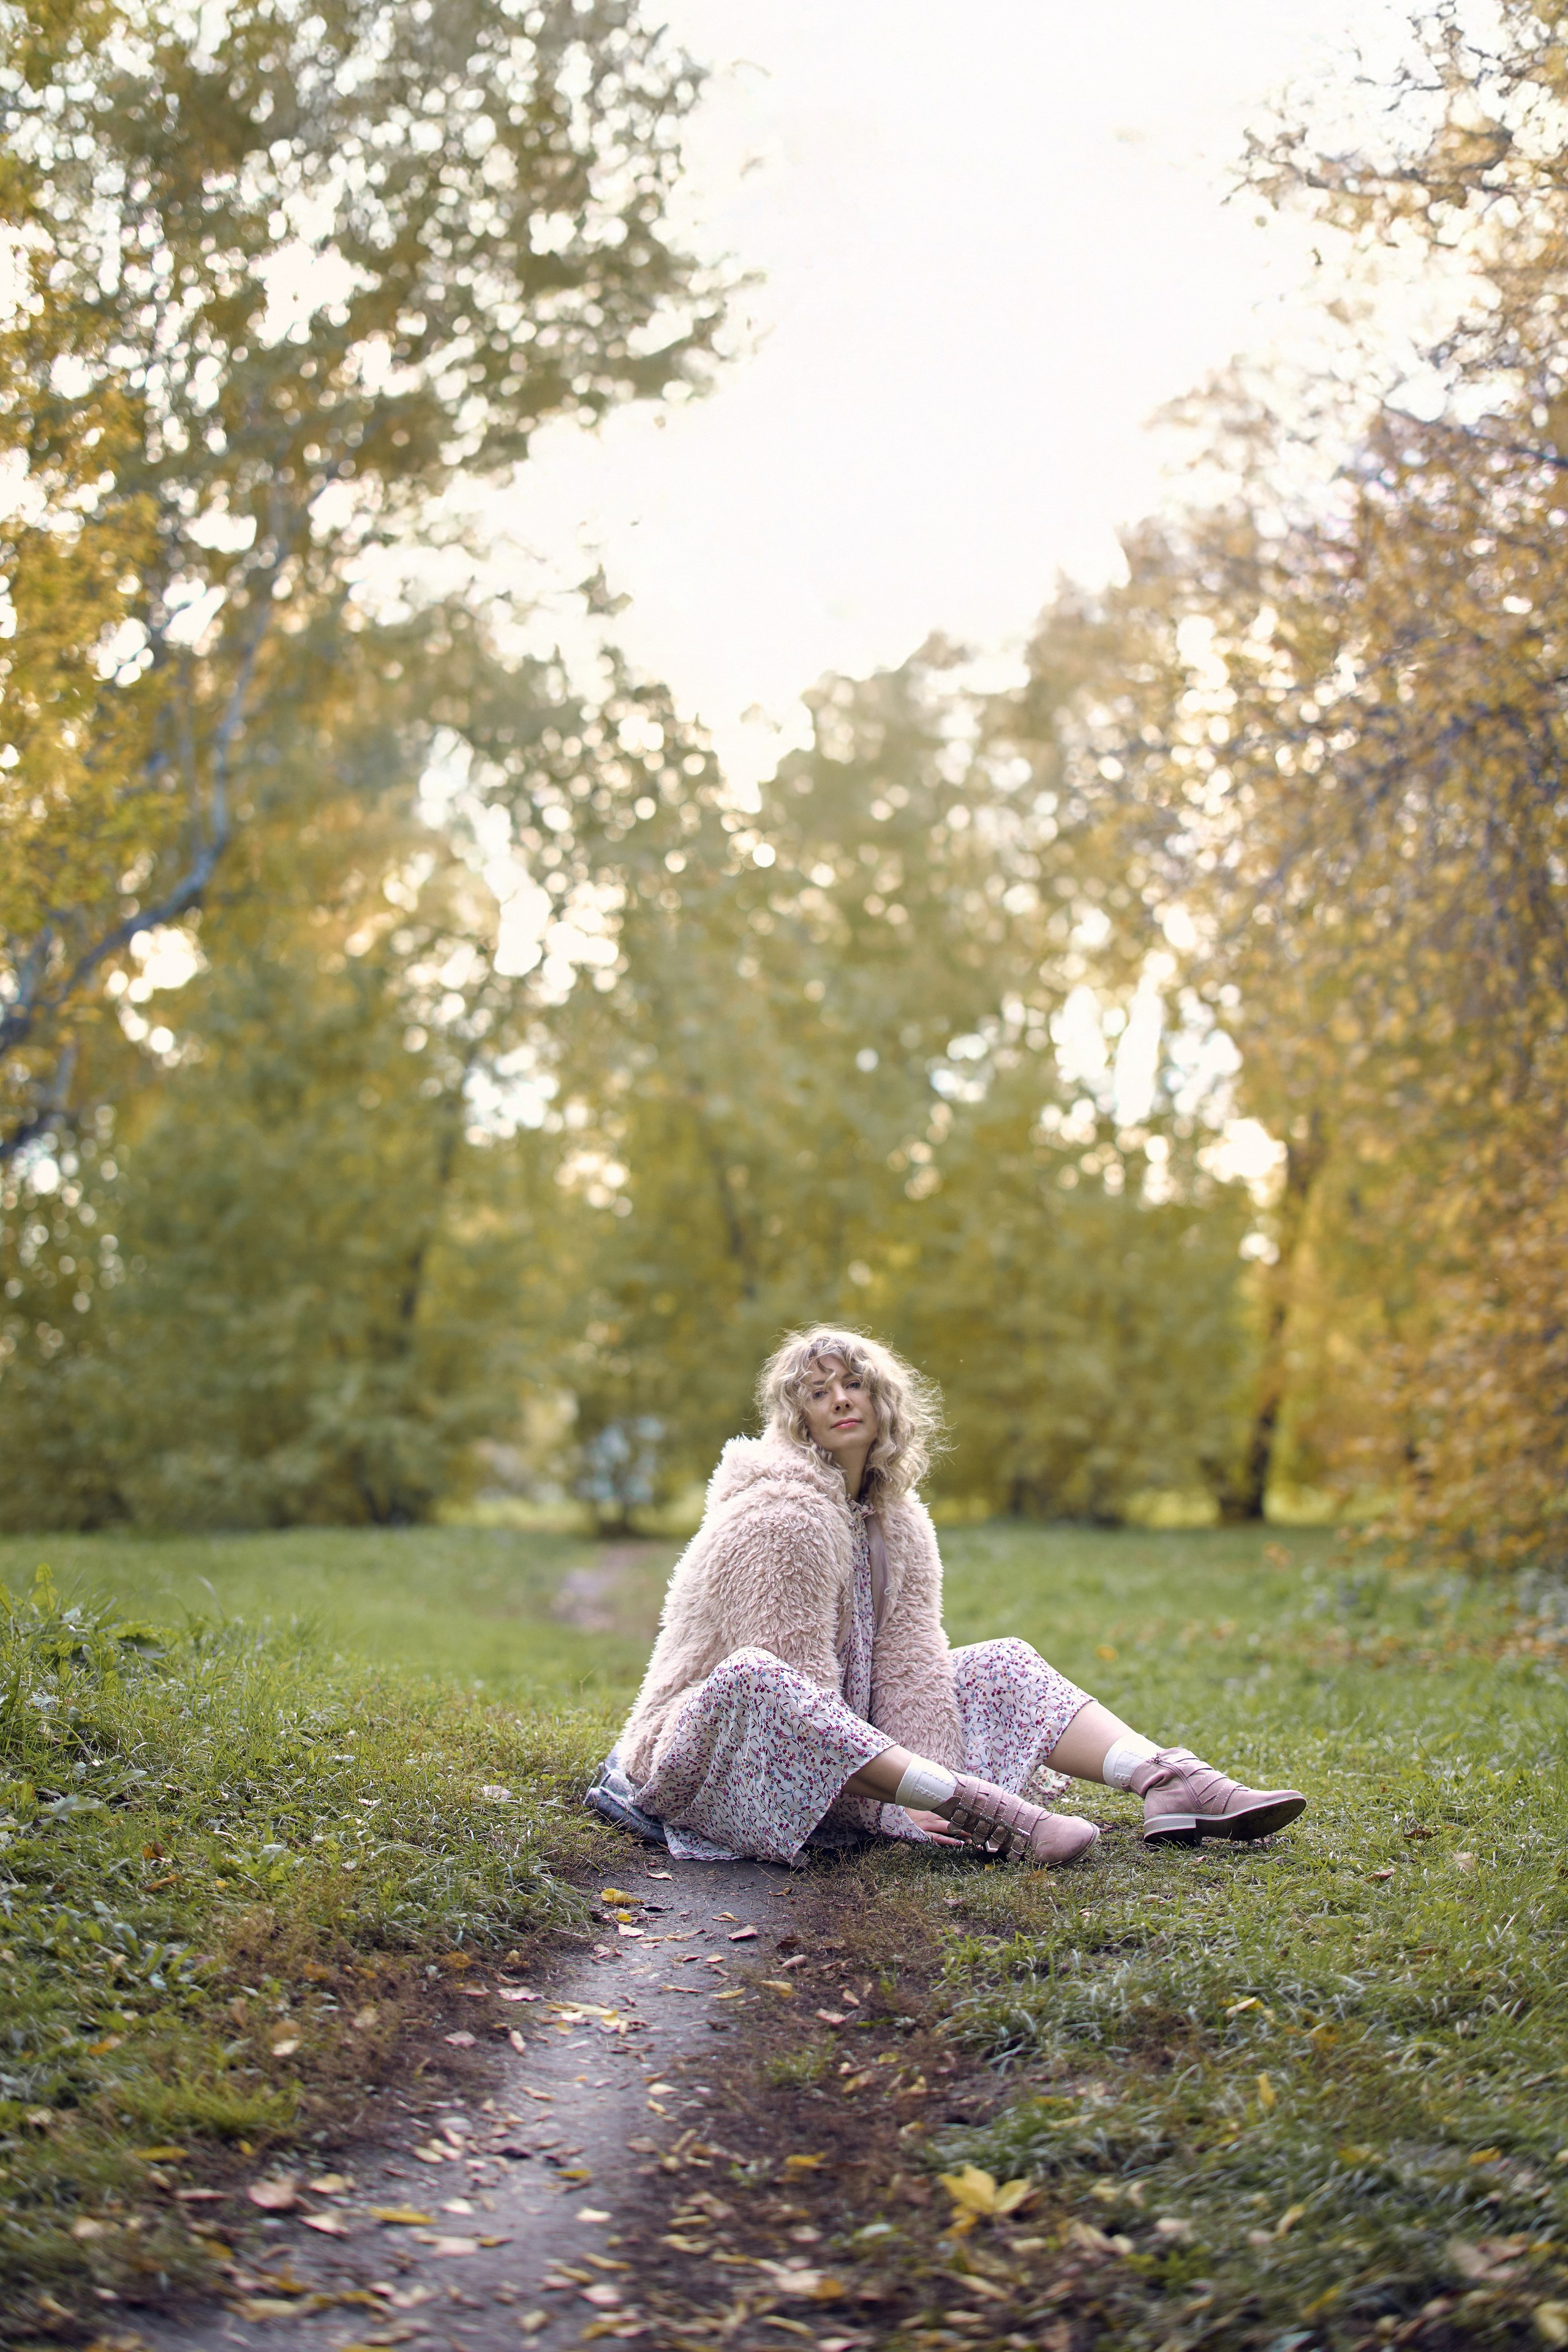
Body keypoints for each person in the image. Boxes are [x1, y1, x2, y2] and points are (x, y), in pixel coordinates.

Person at [588, 1327, 1306, 1869]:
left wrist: (914, 1791)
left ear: (880, 1398)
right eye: (817, 1392)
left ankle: (1167, 1781)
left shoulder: (896, 1518)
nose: (840, 1399)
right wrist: (898, 1810)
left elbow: (911, 1668)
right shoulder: (780, 1517)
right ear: (798, 1420)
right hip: (703, 1753)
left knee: (1002, 1662)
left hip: (841, 1737)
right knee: (760, 1679)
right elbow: (795, 1701)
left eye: (854, 1384)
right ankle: (985, 1811)